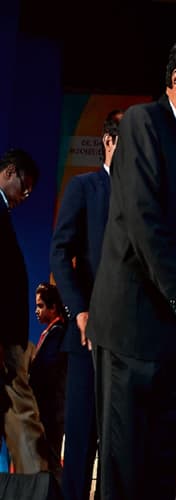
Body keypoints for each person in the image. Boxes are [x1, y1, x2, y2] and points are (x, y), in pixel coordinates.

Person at [87, 29, 176, 500]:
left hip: (173, 344)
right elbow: (146, 223)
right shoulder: (142, 123)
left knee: (158, 480)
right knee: (125, 480)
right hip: (131, 336)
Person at [49, 107, 122, 500]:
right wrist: (78, 310)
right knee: (79, 448)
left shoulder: (145, 197)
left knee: (120, 453)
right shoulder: (84, 187)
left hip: (130, 344)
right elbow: (60, 253)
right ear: (108, 141)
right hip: (86, 339)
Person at [0, 148, 56, 475]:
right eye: (25, 186)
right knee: (22, 415)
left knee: (21, 416)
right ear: (9, 172)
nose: (26, 195)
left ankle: (36, 482)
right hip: (5, 340)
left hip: (9, 340)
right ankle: (38, 485)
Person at [30, 282, 68, 470]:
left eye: (40, 306)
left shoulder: (57, 333)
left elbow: (46, 370)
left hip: (51, 412)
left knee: (50, 462)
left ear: (53, 307)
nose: (36, 311)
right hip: (45, 411)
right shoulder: (50, 333)